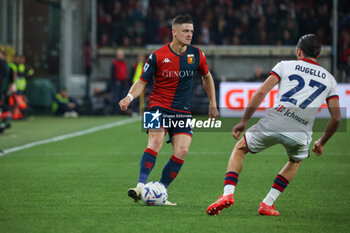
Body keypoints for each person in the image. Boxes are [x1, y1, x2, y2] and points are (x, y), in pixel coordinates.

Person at [206, 34, 340, 216]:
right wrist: (322, 142)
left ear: (299, 51)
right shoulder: (330, 80)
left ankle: (227, 195)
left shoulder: (285, 65)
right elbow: (336, 118)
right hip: (301, 131)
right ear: (318, 54)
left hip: (274, 121)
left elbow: (261, 92)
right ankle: (267, 203)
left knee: (239, 149)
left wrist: (244, 121)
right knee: (295, 160)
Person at [119, 15, 219, 205]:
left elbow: (207, 77)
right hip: (157, 106)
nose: (190, 34)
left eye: (191, 31)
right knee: (155, 140)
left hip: (182, 111)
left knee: (182, 150)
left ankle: (160, 191)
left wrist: (212, 103)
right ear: (174, 32)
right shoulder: (157, 55)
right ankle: (140, 186)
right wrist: (129, 97)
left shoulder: (197, 55)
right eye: (185, 31)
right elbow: (142, 81)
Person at [110, 49, 128, 113]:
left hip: (123, 82)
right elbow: (112, 74)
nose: (121, 56)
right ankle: (115, 111)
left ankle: (121, 110)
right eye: (120, 55)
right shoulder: (115, 63)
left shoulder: (124, 63)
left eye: (122, 55)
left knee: (122, 96)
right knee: (116, 97)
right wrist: (115, 81)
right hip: (117, 83)